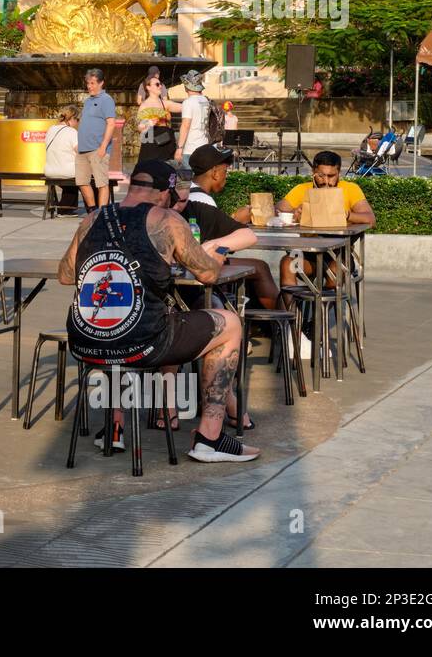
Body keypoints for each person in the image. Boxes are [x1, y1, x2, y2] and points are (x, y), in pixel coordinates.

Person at [59, 159, 256, 462]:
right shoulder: (166, 220)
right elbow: (207, 276)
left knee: (116, 323)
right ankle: (210, 437)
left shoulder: (92, 219)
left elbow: (66, 275)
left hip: (86, 343)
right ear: (165, 194)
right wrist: (217, 254)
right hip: (144, 345)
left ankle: (114, 428)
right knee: (229, 323)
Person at [183, 145, 279, 311]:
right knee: (260, 267)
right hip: (198, 266)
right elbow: (216, 241)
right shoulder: (202, 200)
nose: (226, 177)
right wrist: (235, 220)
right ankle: (283, 326)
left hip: (193, 263)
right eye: (225, 172)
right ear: (215, 173)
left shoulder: (191, 193)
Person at [274, 150, 376, 290]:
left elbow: (370, 219)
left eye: (331, 176)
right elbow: (276, 210)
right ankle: (290, 310)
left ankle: (326, 309)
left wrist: (347, 215)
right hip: (309, 254)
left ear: (339, 173)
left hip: (339, 254)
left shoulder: (350, 189)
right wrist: (294, 213)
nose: (326, 181)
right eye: (321, 176)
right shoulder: (302, 189)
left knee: (336, 269)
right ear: (313, 172)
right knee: (287, 264)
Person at [75, 68, 117, 210]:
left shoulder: (106, 100)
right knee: (81, 182)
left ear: (101, 83)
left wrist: (103, 147)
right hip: (82, 150)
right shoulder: (88, 101)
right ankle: (92, 212)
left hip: (97, 149)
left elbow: (111, 123)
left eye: (92, 83)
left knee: (101, 184)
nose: (89, 86)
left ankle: (102, 215)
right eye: (88, 83)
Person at [136, 68, 180, 162]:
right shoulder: (144, 106)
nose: (160, 86)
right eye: (157, 84)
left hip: (166, 141)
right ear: (148, 87)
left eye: (160, 84)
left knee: (168, 171)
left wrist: (194, 100)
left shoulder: (165, 103)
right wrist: (149, 123)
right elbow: (140, 128)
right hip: (150, 143)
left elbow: (183, 107)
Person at [175, 69, 212, 169]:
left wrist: (179, 148)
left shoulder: (188, 102)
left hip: (191, 148)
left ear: (187, 86)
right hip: (205, 145)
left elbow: (186, 125)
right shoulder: (206, 100)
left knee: (190, 180)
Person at [44, 106, 80, 181]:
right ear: (72, 118)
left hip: (50, 172)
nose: (78, 123)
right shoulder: (72, 132)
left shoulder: (50, 129)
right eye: (77, 120)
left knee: (69, 188)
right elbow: (80, 153)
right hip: (69, 172)